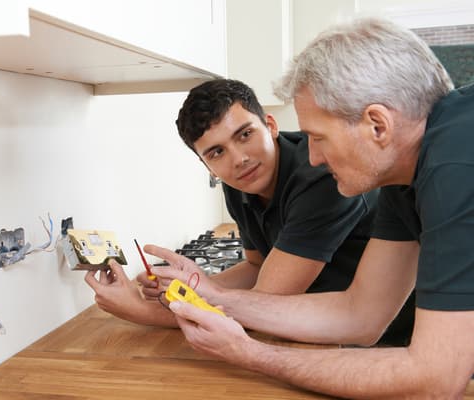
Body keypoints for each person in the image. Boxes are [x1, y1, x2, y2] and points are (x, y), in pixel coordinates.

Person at [146, 17, 474, 398]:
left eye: (318, 137)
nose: (313, 157)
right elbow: (361, 315)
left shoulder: (455, 166)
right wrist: (215, 296)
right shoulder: (405, 176)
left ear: (377, 125)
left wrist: (251, 353)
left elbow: (434, 380)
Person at [84, 78, 413, 346]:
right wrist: (189, 287)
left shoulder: (320, 177)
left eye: (245, 135)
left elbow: (261, 304)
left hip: (391, 339)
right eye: (216, 152)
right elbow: (257, 266)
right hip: (323, 331)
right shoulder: (240, 182)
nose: (238, 158)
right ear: (207, 165)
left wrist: (141, 311)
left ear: (269, 124)